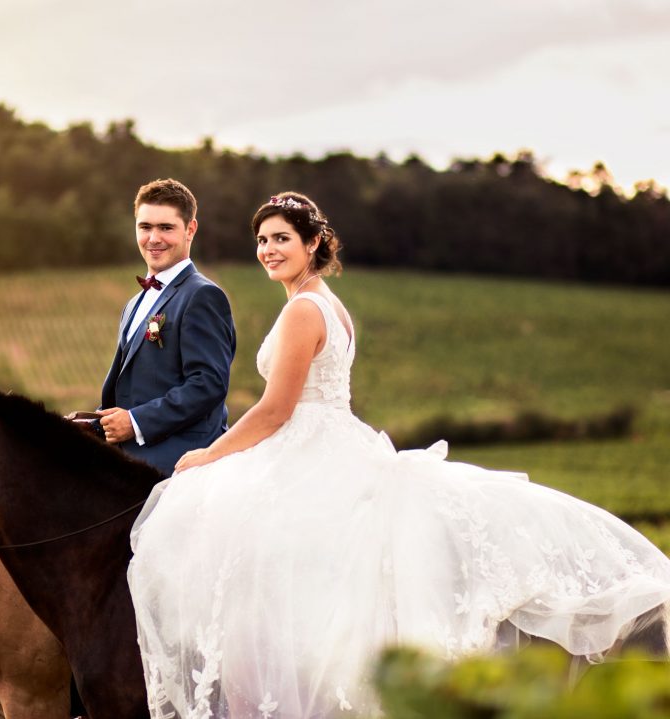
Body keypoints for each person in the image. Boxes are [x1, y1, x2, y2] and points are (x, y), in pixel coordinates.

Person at [127, 191, 670, 718]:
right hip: (334, 438)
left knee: (231, 543)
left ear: (314, 243)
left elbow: (275, 410)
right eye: (262, 239)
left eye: (282, 239)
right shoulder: (328, 306)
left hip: (309, 445)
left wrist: (212, 455)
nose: (269, 249)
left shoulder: (302, 312)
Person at [91, 178, 236, 478]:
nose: (153, 238)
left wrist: (136, 422)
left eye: (166, 228)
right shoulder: (133, 304)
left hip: (180, 465)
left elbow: (208, 383)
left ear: (190, 230)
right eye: (145, 227)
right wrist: (91, 422)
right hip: (127, 460)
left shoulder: (202, 295)